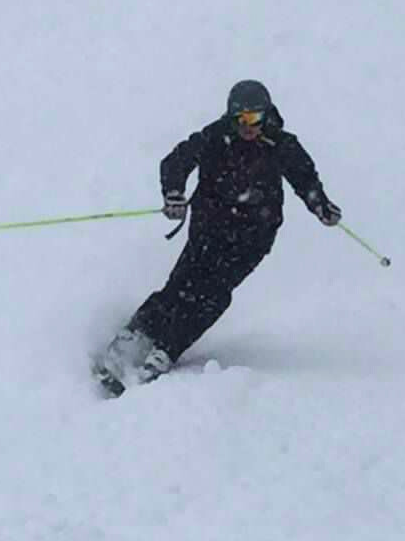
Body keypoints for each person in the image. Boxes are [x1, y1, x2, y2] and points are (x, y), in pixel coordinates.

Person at [96, 80, 341, 395]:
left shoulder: (280, 145)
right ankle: (136, 336)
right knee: (182, 283)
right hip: (209, 227)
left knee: (213, 292)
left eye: (254, 119)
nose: (247, 127)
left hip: (253, 237)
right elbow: (176, 161)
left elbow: (304, 178)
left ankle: (166, 348)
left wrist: (320, 205)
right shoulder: (215, 136)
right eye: (240, 119)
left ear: (266, 116)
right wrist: (174, 193)